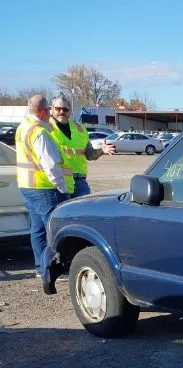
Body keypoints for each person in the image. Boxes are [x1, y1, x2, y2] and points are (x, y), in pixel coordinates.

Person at [15, 95, 74, 278]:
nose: (51, 113)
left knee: (38, 230)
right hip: (44, 188)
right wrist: (62, 187)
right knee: (54, 228)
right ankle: (53, 269)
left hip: (27, 186)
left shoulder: (23, 127)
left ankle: (41, 269)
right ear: (43, 111)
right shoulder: (39, 132)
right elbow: (50, 165)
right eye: (49, 109)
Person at [48, 96, 115, 197]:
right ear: (51, 109)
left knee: (84, 210)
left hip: (79, 182)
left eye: (65, 109)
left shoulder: (80, 129)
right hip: (57, 181)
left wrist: (102, 150)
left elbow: (89, 154)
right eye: (58, 108)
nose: (62, 112)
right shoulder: (45, 128)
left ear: (70, 111)